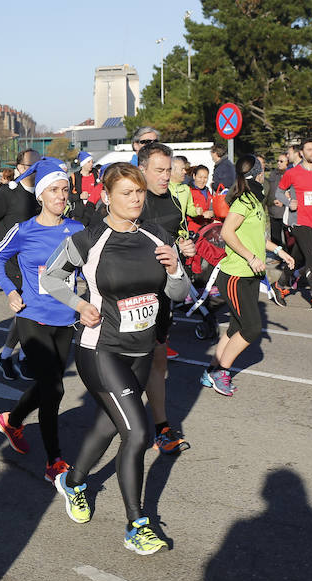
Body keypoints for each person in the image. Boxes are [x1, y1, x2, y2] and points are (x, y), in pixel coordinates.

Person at [42, 162, 191, 555]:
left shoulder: (156, 235)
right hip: (100, 350)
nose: (136, 199)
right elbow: (49, 277)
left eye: (139, 192)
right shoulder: (89, 240)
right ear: (106, 197)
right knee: (138, 433)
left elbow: (178, 294)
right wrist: (78, 304)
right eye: (127, 193)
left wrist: (176, 270)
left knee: (109, 427)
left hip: (142, 350)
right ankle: (136, 525)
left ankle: (72, 482)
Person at [0, 159, 85, 482]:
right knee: (53, 387)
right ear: (41, 195)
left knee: (48, 386)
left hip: (65, 318)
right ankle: (54, 461)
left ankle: (12, 421)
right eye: (54, 191)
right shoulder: (24, 230)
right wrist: (10, 291)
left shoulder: (78, 230)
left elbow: (91, 269)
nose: (61, 196)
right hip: (32, 316)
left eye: (65, 190)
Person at [201, 156, 296, 396]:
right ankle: (222, 372)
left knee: (236, 326)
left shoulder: (255, 200)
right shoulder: (244, 201)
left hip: (251, 274)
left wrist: (280, 251)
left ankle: (211, 371)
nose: (265, 173)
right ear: (257, 174)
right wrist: (250, 257)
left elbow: (256, 238)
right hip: (236, 275)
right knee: (252, 328)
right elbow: (227, 232)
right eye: (262, 169)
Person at [137, 142, 196, 454]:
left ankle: (161, 428)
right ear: (142, 168)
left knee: (159, 360)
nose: (166, 175)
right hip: (130, 298)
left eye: (168, 169)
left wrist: (184, 251)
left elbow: (178, 240)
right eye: (159, 170)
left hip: (161, 297)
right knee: (131, 368)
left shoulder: (173, 203)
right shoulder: (133, 202)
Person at [0, 150, 42, 378]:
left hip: (36, 263)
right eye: (31, 165)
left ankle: (6, 356)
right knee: (26, 309)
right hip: (13, 264)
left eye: (39, 164)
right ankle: (22, 358)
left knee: (27, 311)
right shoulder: (8, 193)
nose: (35, 169)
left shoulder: (41, 194)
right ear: (19, 167)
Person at [277, 137, 312, 310]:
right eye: (309, 149)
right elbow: (279, 192)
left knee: (297, 257)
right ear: (302, 153)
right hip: (298, 221)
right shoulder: (292, 173)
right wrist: (288, 202)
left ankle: (281, 284)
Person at [68, 151, 102, 224]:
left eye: (92, 162)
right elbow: (69, 197)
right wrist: (79, 196)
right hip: (80, 214)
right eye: (88, 162)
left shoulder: (96, 174)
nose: (91, 164)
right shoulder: (74, 177)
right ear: (83, 164)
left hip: (95, 211)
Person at [265, 153, 289, 247]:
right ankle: (277, 256)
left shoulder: (290, 174)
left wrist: (283, 202)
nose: (278, 163)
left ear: (287, 163)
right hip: (274, 210)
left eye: (281, 161)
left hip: (286, 211)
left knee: (289, 237)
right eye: (277, 161)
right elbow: (270, 190)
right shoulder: (273, 174)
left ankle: (290, 256)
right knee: (275, 237)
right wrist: (270, 202)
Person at [187, 165, 215, 234]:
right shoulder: (188, 191)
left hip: (207, 229)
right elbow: (186, 211)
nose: (202, 180)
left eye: (205, 177)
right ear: (194, 176)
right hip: (193, 230)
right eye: (200, 177)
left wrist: (212, 213)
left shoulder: (208, 191)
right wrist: (202, 214)